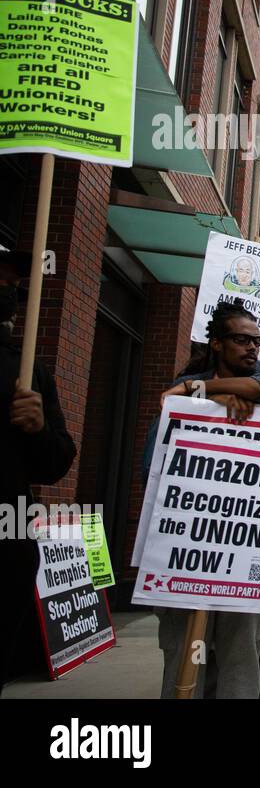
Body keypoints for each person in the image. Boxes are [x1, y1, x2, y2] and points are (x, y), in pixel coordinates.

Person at [143, 301, 260, 698]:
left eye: (256, 341)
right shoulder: (180, 401)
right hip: (186, 555)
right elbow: (151, 469)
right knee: (183, 661)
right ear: (217, 344)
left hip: (243, 561)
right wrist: (206, 403)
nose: (252, 348)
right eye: (241, 339)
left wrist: (196, 390)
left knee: (241, 662)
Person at [0, 248, 76, 691]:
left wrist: (38, 427)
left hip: (8, 538)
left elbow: (56, 463)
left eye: (14, 287)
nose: (9, 294)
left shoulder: (28, 371)